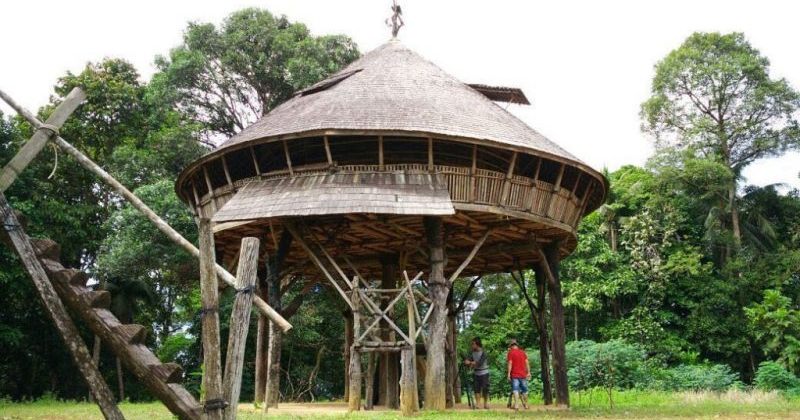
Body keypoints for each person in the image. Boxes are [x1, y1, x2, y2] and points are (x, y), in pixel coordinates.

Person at [464, 337, 490, 409]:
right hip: (476, 373)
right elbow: (469, 361)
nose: (472, 345)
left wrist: (470, 362)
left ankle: (485, 403)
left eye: (473, 344)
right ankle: (478, 404)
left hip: (484, 373)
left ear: (477, 344)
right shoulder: (472, 353)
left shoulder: (484, 352)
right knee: (476, 389)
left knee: (485, 389)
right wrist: (467, 362)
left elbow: (480, 363)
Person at [506, 338, 530, 410]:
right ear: (517, 345)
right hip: (523, 374)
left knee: (515, 389)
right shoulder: (523, 352)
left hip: (515, 375)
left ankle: (516, 405)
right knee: (525, 390)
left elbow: (510, 363)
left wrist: (508, 374)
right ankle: (526, 405)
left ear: (511, 346)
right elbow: (527, 362)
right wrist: (529, 372)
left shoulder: (510, 353)